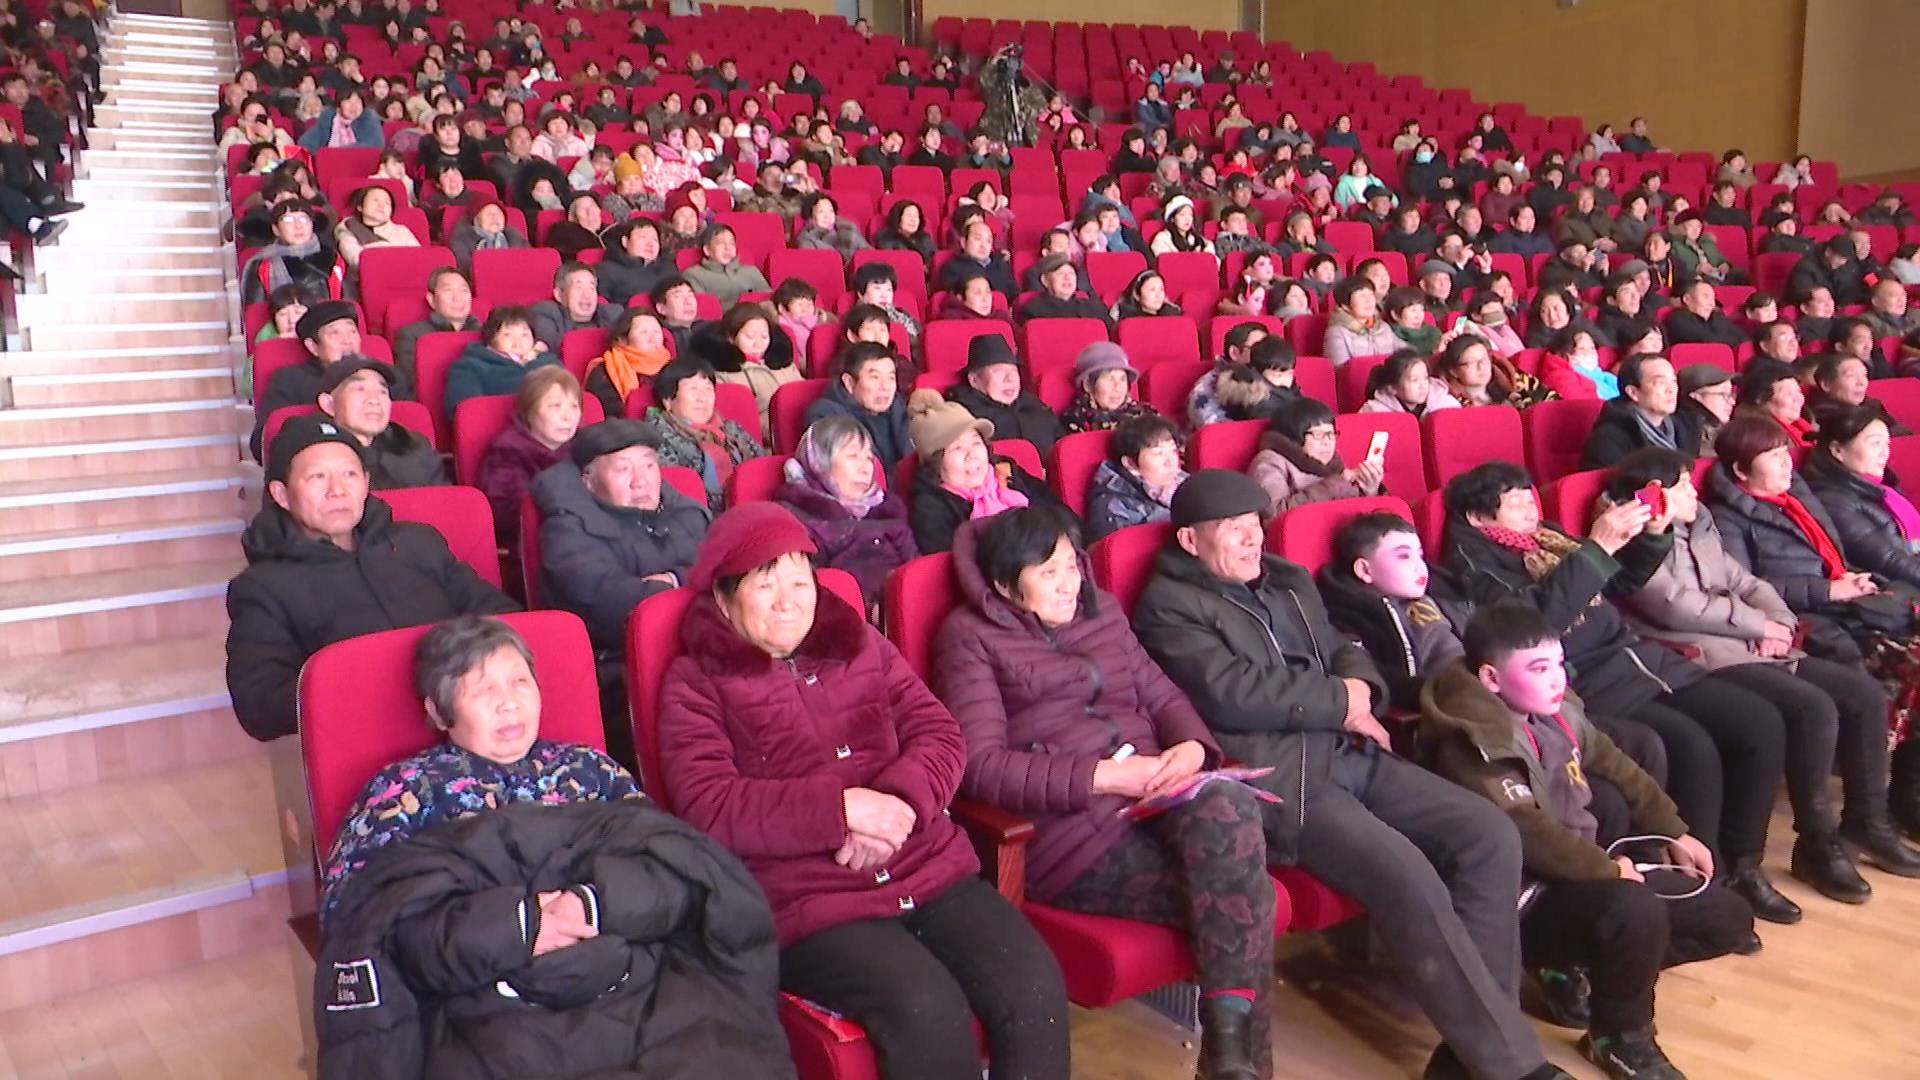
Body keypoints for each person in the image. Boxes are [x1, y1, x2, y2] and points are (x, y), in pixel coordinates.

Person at [1130, 470, 1569, 1080]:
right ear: (1189, 541)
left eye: (1255, 525)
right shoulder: (1168, 606)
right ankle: (1511, 1066)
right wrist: (1343, 700)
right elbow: (1233, 694)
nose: (1252, 539)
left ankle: (1471, 1056)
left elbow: (1344, 646)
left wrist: (1359, 688)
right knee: (1407, 874)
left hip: (1350, 748)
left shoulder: (1286, 580)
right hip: (1285, 777)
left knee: (1489, 833)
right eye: (1232, 530)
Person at [657, 503, 1071, 1079]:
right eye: (765, 584)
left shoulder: (860, 643)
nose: (788, 600)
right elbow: (711, 806)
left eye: (800, 581)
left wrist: (897, 805)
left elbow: (941, 733)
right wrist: (842, 810)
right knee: (926, 1009)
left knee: (1033, 983)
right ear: (724, 600)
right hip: (812, 903)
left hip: (925, 866)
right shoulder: (696, 682)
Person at [314, 614, 795, 1078]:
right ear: (439, 712)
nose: (509, 703)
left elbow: (672, 864)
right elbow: (361, 916)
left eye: (520, 682)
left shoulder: (589, 768)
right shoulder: (405, 790)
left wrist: (594, 904)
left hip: (628, 977)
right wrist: (520, 926)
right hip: (489, 1000)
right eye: (483, 690)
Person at [936, 505, 1279, 1077]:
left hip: (1154, 799)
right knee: (1249, 900)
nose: (1068, 584)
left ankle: (1229, 1059)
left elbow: (1163, 696)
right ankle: (1236, 1064)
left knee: (1228, 804)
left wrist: (1192, 748)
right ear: (1005, 585)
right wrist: (1107, 776)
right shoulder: (969, 636)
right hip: (1072, 837)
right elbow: (979, 766)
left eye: (1071, 566)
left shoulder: (1104, 613)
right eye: (1048, 573)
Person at [1440, 462, 1801, 924]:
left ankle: (1744, 865)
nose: (1532, 506)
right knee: (1693, 747)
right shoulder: (1473, 567)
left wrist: (1652, 536)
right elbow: (1532, 628)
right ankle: (1701, 879)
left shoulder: (1548, 539)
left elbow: (1623, 584)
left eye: (1531, 495)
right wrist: (1597, 549)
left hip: (1633, 655)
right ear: (1478, 517)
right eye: (1515, 502)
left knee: (1758, 723)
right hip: (1582, 678)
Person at [1421, 605, 1754, 1080]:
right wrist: (1611, 871)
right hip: (1519, 899)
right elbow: (1529, 833)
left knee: (1728, 917)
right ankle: (1619, 1037)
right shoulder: (1472, 740)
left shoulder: (1555, 711)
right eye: (1539, 669)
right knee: (1633, 910)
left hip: (1577, 880)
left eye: (1559, 663)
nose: (1558, 679)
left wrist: (1674, 828)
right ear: (1492, 679)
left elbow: (1615, 763)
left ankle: (1581, 968)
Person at [1606, 446, 1920, 891]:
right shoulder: (1634, 540)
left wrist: (1780, 622)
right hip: (1696, 650)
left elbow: (1745, 581)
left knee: (1863, 695)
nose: (1693, 491)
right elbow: (1673, 606)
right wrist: (1758, 625)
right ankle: (1814, 843)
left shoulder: (1700, 523)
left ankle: (1868, 821)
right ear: (1652, 494)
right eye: (1682, 485)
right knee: (1811, 708)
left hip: (1748, 638)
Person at [225, 414, 518, 741]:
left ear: (366, 483)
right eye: (318, 477)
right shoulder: (263, 587)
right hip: (372, 745)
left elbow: (503, 615)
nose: (338, 490)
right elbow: (260, 705)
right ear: (281, 494)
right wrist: (372, 687)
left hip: (479, 723)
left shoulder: (418, 542)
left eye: (349, 474)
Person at [532, 419, 712, 650]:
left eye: (649, 465)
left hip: (704, 641)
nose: (640, 481)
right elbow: (613, 603)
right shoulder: (567, 529)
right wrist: (700, 589)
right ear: (589, 482)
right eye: (622, 469)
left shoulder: (687, 512)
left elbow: (729, 573)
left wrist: (674, 579)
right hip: (617, 659)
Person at [773, 415, 917, 603]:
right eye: (852, 456)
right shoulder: (795, 521)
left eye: (869, 458)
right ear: (819, 462)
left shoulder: (887, 510)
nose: (865, 468)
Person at [906, 389, 1065, 555]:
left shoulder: (1006, 472)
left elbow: (1060, 515)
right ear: (935, 463)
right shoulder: (930, 507)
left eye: (976, 443)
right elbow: (958, 563)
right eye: (957, 448)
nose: (971, 454)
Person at [251, 300, 394, 460]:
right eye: (335, 333)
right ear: (312, 346)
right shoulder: (289, 380)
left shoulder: (380, 375)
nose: (348, 341)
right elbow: (262, 442)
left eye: (353, 332)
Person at [475, 365, 581, 561]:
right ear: (530, 410)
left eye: (574, 406)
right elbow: (512, 514)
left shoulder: (585, 447)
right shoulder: (507, 453)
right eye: (555, 406)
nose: (568, 416)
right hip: (537, 550)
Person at [640, 358, 767, 504]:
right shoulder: (654, 438)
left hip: (754, 507)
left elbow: (762, 468)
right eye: (693, 389)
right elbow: (676, 495)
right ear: (668, 400)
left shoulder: (730, 429)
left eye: (708, 389)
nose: (703, 398)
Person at [313, 356, 443, 488]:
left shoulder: (415, 447)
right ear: (328, 404)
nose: (375, 400)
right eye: (360, 389)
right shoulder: (309, 455)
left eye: (383, 392)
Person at [1248, 396, 1385, 511]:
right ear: (1295, 437)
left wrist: (1370, 490)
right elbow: (1276, 514)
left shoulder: (1334, 463)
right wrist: (1338, 483)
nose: (1327, 442)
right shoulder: (1269, 462)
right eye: (1318, 435)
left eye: (1331, 434)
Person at [691, 303, 802, 435]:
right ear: (731, 338)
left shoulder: (784, 363)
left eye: (764, 336)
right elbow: (741, 425)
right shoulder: (724, 375)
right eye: (750, 337)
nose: (758, 344)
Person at [946, 335, 1065, 458]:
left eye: (1014, 371)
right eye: (998, 371)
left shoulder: (1035, 406)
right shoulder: (962, 416)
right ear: (974, 380)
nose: (1009, 378)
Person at [803, 342, 912, 468]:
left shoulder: (898, 406)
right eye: (875, 377)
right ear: (849, 383)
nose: (886, 386)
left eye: (891, 378)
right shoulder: (825, 416)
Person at [1582, 354, 1700, 468]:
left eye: (1673, 381)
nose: (1671, 390)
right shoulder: (1609, 439)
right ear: (1633, 393)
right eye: (1660, 382)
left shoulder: (1685, 425)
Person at [1086, 414, 1188, 541]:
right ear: (1130, 464)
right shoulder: (1111, 509)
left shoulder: (1184, 481)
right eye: (1158, 453)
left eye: (1173, 450)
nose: (1171, 462)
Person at [241, 200, 345, 306]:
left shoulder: (333, 257)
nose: (298, 226)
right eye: (288, 220)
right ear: (276, 229)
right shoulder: (262, 264)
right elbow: (255, 310)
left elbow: (348, 303)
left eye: (304, 219)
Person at [391, 267, 479, 382]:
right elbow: (408, 384)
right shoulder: (411, 335)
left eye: (464, 291)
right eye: (448, 290)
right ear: (431, 299)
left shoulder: (485, 334)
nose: (458, 298)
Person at [1061, 342, 1154, 433]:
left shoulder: (1146, 414)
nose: (1117, 387)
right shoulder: (1075, 421)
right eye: (1109, 379)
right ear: (1087, 385)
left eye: (1122, 379)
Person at [529, 262, 622, 350]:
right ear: (559, 295)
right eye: (579, 288)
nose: (587, 295)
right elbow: (553, 348)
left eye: (592, 288)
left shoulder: (613, 315)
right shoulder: (546, 313)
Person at [682, 223, 771, 307]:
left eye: (731, 243)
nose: (728, 248)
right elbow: (704, 308)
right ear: (707, 250)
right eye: (721, 243)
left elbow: (768, 300)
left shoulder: (751, 271)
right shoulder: (693, 275)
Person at [1735, 360, 1815, 448]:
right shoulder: (1756, 438)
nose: (1799, 399)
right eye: (1788, 393)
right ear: (1760, 399)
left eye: (1798, 391)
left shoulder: (1806, 424)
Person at [1359, 347, 1460, 417]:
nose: (1422, 386)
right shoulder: (1375, 411)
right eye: (1414, 380)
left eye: (1425, 378)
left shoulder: (1444, 403)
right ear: (1392, 388)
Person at [1322, 279, 1398, 366]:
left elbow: (1404, 352)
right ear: (1345, 306)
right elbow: (1339, 369)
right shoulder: (1337, 333)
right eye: (1362, 296)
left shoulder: (1383, 327)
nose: (1368, 301)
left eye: (1371, 294)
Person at [1019, 253, 1110, 323]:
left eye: (1071, 273)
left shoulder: (1094, 308)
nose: (1067, 278)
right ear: (1045, 280)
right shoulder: (1033, 312)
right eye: (1060, 273)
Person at [447, 197, 529, 272]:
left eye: (499, 213)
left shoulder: (517, 238)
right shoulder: (461, 240)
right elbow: (464, 269)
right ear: (476, 220)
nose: (495, 217)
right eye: (489, 214)